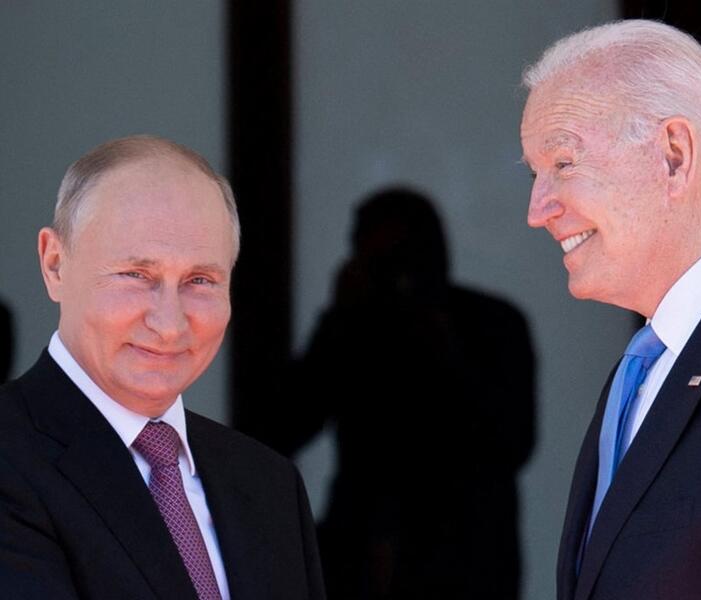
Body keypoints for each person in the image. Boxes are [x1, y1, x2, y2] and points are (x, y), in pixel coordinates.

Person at [521, 19, 701, 600]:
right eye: (534, 173)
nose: (538, 208)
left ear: (674, 155)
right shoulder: (652, 363)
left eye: (563, 163)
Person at [0, 135, 325, 599]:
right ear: (55, 265)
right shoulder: (11, 459)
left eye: (200, 280)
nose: (169, 324)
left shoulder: (269, 485)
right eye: (136, 276)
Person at [276, 188, 535, 599]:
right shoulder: (353, 328)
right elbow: (280, 429)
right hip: (362, 557)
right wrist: (337, 323)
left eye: (404, 257)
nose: (397, 278)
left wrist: (445, 345)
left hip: (466, 559)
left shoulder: (491, 324)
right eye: (378, 261)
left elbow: (513, 442)